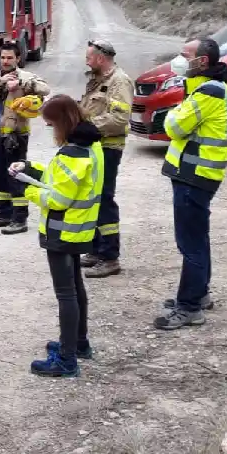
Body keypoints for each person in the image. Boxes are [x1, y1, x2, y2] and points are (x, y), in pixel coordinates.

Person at [14, 95, 104, 377]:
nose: (53, 131)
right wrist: (31, 170)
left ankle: (66, 360)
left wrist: (26, 190)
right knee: (76, 288)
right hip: (80, 228)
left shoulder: (71, 154)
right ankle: (77, 343)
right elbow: (63, 181)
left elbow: (58, 198)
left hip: (63, 230)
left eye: (52, 125)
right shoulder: (91, 145)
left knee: (66, 294)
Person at [155, 37, 227, 330]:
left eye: (184, 54)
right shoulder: (209, 87)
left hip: (194, 175)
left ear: (201, 61)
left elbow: (173, 126)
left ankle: (189, 307)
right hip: (196, 174)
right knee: (197, 238)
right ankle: (199, 295)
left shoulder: (209, 92)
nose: (178, 59)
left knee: (190, 243)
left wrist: (176, 112)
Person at [0, 43, 49, 234]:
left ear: (18, 59)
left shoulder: (26, 77)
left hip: (16, 134)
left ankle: (19, 218)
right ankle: (3, 213)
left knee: (16, 174)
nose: (6, 61)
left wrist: (22, 84)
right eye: (3, 58)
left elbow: (45, 89)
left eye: (10, 58)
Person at [78, 39, 133, 279]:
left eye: (89, 57)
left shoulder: (119, 81)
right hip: (95, 148)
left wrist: (88, 128)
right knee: (93, 199)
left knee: (104, 200)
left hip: (108, 148)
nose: (87, 61)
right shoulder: (98, 80)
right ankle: (96, 249)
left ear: (101, 58)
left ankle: (110, 257)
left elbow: (119, 118)